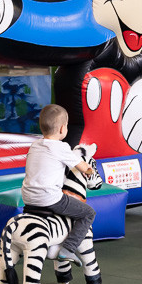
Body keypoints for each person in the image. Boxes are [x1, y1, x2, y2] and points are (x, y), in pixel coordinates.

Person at [22, 104, 97, 266]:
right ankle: (68, 249)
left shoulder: (35, 145)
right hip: (49, 199)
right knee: (88, 213)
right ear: (63, 128)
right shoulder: (62, 147)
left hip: (28, 198)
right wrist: (90, 170)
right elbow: (83, 167)